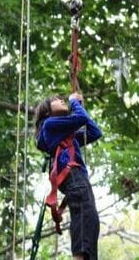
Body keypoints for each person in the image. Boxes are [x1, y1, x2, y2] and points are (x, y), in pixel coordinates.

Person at [34, 92, 102, 260]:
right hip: (72, 175)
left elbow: (94, 132)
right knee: (84, 218)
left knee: (90, 220)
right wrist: (74, 103)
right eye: (56, 100)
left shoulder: (66, 136)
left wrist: (80, 107)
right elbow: (80, 119)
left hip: (76, 178)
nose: (61, 100)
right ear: (47, 112)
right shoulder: (49, 125)